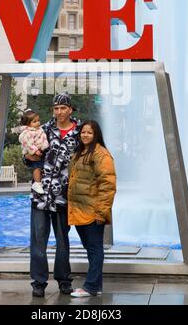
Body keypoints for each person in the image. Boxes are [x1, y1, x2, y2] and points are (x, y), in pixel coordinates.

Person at [24, 93, 82, 297]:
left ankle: (64, 280)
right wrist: (29, 157)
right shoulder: (44, 130)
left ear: (70, 110)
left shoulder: (80, 132)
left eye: (63, 108)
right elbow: (30, 157)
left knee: (62, 240)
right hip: (40, 195)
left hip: (63, 195)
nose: (59, 112)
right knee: (38, 240)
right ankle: (38, 282)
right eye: (56, 108)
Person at [68, 120, 116, 297]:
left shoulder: (101, 155)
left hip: (93, 211)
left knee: (95, 249)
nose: (85, 135)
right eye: (83, 132)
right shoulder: (81, 152)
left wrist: (101, 212)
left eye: (89, 132)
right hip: (80, 210)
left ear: (96, 135)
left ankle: (90, 287)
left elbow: (108, 185)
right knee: (90, 247)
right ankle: (97, 286)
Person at [19, 109, 49, 194]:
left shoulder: (39, 129)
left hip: (40, 152)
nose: (38, 123)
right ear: (28, 124)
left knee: (39, 167)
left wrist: (44, 146)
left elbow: (43, 138)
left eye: (38, 121)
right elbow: (28, 144)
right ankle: (37, 183)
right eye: (35, 121)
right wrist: (35, 151)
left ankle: (38, 183)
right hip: (34, 152)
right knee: (37, 167)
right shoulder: (27, 133)